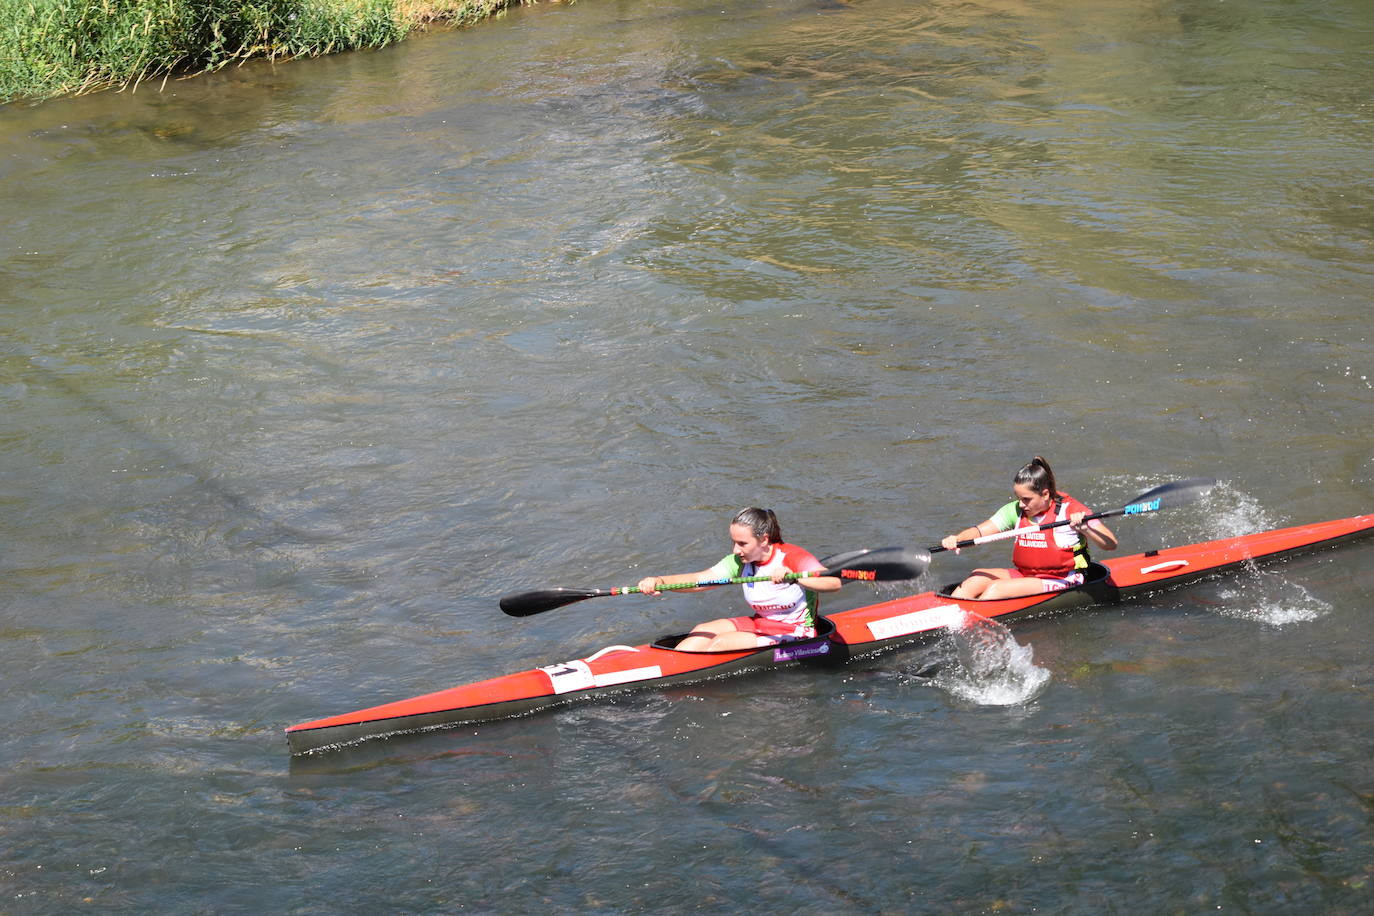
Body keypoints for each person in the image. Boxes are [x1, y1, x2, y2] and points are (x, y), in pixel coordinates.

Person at [636, 507, 842, 652]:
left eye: (742, 543)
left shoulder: (792, 556)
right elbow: (700, 580)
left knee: (719, 643)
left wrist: (795, 579)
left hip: (798, 632)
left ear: (764, 539)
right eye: (734, 542)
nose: (736, 550)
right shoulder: (740, 561)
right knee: (701, 632)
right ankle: (672, 667)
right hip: (762, 623)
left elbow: (833, 583)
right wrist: (660, 581)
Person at [941, 457, 1118, 600]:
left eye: (1026, 499)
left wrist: (1085, 527)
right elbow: (979, 533)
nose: (1021, 504)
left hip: (1065, 579)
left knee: (997, 589)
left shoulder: (1071, 510)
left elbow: (1110, 544)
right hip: (1027, 574)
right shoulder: (1015, 510)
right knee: (975, 578)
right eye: (1018, 498)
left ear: (1045, 494)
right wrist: (958, 539)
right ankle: (946, 617)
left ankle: (970, 622)